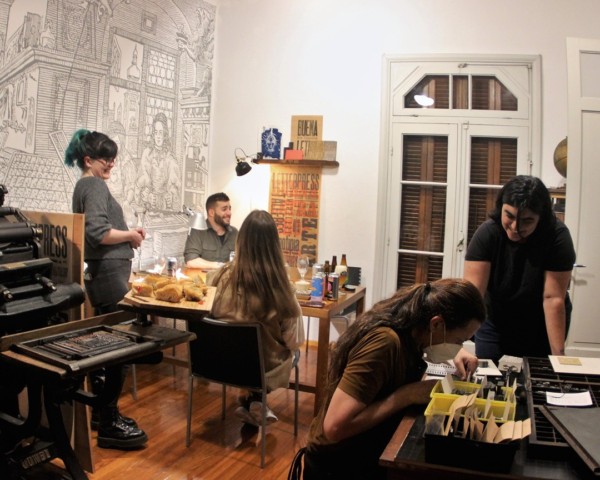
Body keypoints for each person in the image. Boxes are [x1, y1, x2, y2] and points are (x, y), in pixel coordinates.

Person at [301, 279, 485, 479]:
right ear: (437, 324)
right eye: (459, 340)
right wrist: (406, 395)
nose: (458, 347)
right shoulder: (385, 343)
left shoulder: (413, 331)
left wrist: (454, 350)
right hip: (337, 464)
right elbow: (335, 428)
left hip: (364, 451)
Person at [64, 129, 148, 449]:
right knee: (120, 349)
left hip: (104, 274)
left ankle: (103, 413)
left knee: (109, 347)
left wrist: (127, 234)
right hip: (110, 275)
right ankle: (110, 421)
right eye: (106, 159)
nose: (111, 164)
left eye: (113, 158)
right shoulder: (94, 185)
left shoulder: (84, 186)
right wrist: (130, 235)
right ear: (88, 160)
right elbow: (98, 233)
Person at [464, 175, 576, 363]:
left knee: (540, 372)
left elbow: (553, 298)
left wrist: (559, 358)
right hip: (495, 317)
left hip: (541, 321)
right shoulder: (488, 233)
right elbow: (473, 295)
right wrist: (455, 344)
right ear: (501, 207)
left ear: (541, 217)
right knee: (488, 371)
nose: (515, 227)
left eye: (527, 220)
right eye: (509, 216)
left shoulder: (557, 237)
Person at [207, 210, 303, 426]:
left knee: (247, 351)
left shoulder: (217, 279)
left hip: (219, 363)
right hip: (262, 368)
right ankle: (256, 399)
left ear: (241, 240)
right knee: (293, 352)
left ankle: (250, 400)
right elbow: (294, 340)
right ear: (274, 245)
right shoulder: (282, 289)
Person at [135, 112, 181, 211]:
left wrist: (171, 196)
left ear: (165, 134)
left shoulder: (170, 158)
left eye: (161, 132)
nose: (158, 136)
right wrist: (147, 196)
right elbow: (140, 184)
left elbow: (175, 186)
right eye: (156, 132)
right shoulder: (147, 154)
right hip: (149, 205)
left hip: (165, 206)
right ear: (153, 134)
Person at [184, 192, 238, 269]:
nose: (229, 213)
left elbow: (242, 259)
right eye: (224, 209)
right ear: (211, 212)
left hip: (228, 276)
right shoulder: (197, 230)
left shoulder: (234, 233)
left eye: (229, 209)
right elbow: (191, 261)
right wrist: (220, 266)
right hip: (204, 276)